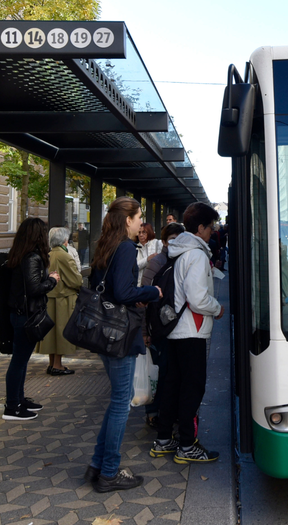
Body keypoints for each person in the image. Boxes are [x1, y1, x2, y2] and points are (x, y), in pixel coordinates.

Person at [84, 197, 162, 493]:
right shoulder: (127, 248)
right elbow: (124, 291)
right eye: (140, 217)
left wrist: (133, 293)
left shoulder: (106, 244)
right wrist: (151, 291)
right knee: (121, 402)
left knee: (119, 399)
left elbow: (109, 289)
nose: (142, 222)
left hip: (104, 332)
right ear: (127, 220)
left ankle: (97, 465)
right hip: (120, 335)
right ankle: (109, 473)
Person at [151, 202, 223, 464]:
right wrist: (216, 308)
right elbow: (197, 298)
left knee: (172, 384)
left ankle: (163, 440)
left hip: (173, 330)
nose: (213, 231)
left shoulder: (178, 251)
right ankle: (186, 445)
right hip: (192, 330)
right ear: (201, 228)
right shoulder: (197, 255)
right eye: (211, 226)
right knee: (192, 387)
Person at [5, 217, 59, 421]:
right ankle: (12, 406)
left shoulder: (20, 255)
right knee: (19, 362)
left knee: (21, 360)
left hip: (20, 314)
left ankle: (18, 399)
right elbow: (34, 288)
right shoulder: (32, 257)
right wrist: (52, 280)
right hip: (26, 316)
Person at [140, 222, 185, 429]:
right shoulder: (157, 262)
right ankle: (153, 412)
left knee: (172, 372)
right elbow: (142, 298)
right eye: (171, 239)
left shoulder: (185, 260)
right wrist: (144, 331)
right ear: (164, 241)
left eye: (179, 239)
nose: (175, 243)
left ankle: (168, 410)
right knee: (159, 371)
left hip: (180, 327)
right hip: (158, 326)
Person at [38, 227, 82, 376]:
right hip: (63, 299)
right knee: (61, 333)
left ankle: (52, 364)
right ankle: (58, 365)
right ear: (64, 240)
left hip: (49, 298)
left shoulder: (48, 255)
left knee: (51, 334)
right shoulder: (65, 256)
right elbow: (75, 280)